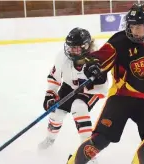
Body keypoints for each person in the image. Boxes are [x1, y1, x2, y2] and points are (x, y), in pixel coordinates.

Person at [67, 3, 144, 164]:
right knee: (100, 140)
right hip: (122, 97)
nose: (133, 30)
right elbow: (99, 57)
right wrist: (93, 65)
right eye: (131, 26)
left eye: (138, 26)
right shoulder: (120, 41)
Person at [39, 27, 108, 164]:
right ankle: (50, 139)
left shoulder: (96, 59)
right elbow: (54, 78)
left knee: (78, 107)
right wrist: (50, 96)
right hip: (70, 86)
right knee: (56, 113)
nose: (72, 51)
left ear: (86, 46)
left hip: (91, 90)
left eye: (77, 48)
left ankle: (89, 152)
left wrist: (91, 83)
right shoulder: (62, 58)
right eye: (71, 47)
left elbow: (103, 86)